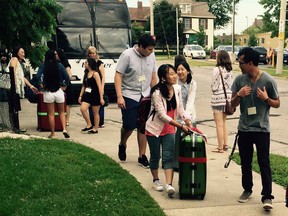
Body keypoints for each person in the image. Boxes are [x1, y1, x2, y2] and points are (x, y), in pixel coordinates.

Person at [231, 47, 280, 210]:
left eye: (241, 62)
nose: (239, 65)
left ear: (251, 63)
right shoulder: (239, 80)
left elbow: (277, 103)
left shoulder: (268, 80)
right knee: (245, 162)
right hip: (244, 128)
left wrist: (266, 99)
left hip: (261, 129)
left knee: (263, 162)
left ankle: (267, 196)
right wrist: (239, 95)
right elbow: (231, 106)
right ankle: (247, 189)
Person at [145, 64, 193, 197]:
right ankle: (156, 180)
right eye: (171, 74)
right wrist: (180, 126)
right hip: (154, 129)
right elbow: (162, 115)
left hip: (170, 129)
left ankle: (169, 184)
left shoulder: (177, 89)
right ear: (163, 78)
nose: (174, 76)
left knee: (169, 156)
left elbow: (180, 109)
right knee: (156, 156)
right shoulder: (156, 93)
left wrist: (187, 121)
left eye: (174, 73)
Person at [114, 33, 157, 168]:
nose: (151, 52)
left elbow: (153, 76)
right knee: (129, 125)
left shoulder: (152, 56)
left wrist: (155, 94)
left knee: (142, 126)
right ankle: (122, 143)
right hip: (129, 94)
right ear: (141, 46)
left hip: (145, 95)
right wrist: (120, 96)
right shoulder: (127, 55)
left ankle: (142, 155)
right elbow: (118, 75)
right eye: (149, 49)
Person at [37, 50, 70, 139]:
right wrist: (65, 85)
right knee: (62, 112)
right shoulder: (59, 65)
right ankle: (64, 129)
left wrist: (41, 84)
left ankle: (52, 133)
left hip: (48, 91)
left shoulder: (43, 65)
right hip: (59, 90)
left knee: (51, 114)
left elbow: (38, 76)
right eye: (55, 54)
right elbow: (67, 76)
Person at [210, 50, 233, 153]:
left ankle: (220, 148)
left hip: (218, 99)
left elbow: (214, 86)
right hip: (227, 99)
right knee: (224, 122)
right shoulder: (229, 70)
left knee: (218, 123)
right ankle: (225, 144)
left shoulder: (216, 69)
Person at [7, 46, 38, 111]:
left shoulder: (19, 62)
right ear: (17, 52)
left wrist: (31, 86)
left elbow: (21, 77)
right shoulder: (14, 59)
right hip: (11, 88)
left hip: (14, 88)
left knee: (15, 109)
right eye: (21, 52)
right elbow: (13, 73)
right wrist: (14, 85)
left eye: (24, 53)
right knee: (13, 108)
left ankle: (14, 120)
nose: (23, 54)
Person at [78, 58, 104, 134]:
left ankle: (95, 128)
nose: (84, 63)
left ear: (89, 64)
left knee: (95, 112)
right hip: (87, 94)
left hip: (95, 95)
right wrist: (80, 95)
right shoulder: (86, 74)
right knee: (83, 109)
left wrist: (101, 98)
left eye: (86, 62)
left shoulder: (95, 74)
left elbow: (99, 86)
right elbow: (84, 85)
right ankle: (89, 124)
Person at [86, 46, 106, 128]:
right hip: (90, 87)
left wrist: (102, 87)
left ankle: (100, 122)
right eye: (90, 53)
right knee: (90, 105)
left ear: (96, 54)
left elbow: (103, 76)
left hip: (98, 86)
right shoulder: (87, 63)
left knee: (99, 105)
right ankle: (92, 122)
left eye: (93, 53)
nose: (92, 55)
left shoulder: (99, 63)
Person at [55, 48, 75, 126]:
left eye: (56, 54)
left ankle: (67, 120)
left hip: (65, 85)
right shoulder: (54, 63)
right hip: (58, 85)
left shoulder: (65, 64)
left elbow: (69, 75)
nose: (55, 55)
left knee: (67, 103)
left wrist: (64, 83)